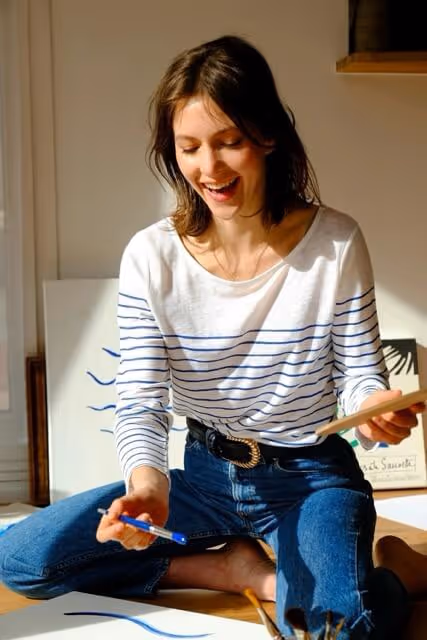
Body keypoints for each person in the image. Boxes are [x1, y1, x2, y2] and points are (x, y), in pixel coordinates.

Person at [0, 35, 425, 639]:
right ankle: (234, 570)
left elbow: (359, 373)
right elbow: (141, 399)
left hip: (309, 479)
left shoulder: (335, 243)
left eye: (229, 143)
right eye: (189, 147)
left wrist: (372, 407)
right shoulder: (152, 255)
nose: (209, 169)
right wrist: (147, 489)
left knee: (339, 626)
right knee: (24, 559)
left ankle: (398, 573)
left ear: (268, 136)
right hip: (203, 476)